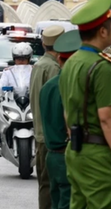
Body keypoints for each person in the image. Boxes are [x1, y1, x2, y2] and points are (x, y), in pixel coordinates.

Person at [59, 0, 111, 208]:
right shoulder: (101, 67)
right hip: (98, 155)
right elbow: (107, 118)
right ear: (103, 32)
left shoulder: (70, 64)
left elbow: (67, 113)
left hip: (75, 151)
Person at [40, 30, 81, 209]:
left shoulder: (48, 87)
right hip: (67, 154)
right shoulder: (71, 85)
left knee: (56, 201)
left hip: (51, 154)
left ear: (59, 59)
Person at [28, 25, 65, 209]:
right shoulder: (53, 68)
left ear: (43, 44)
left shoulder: (38, 65)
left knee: (45, 184)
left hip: (40, 133)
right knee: (53, 187)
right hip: (51, 137)